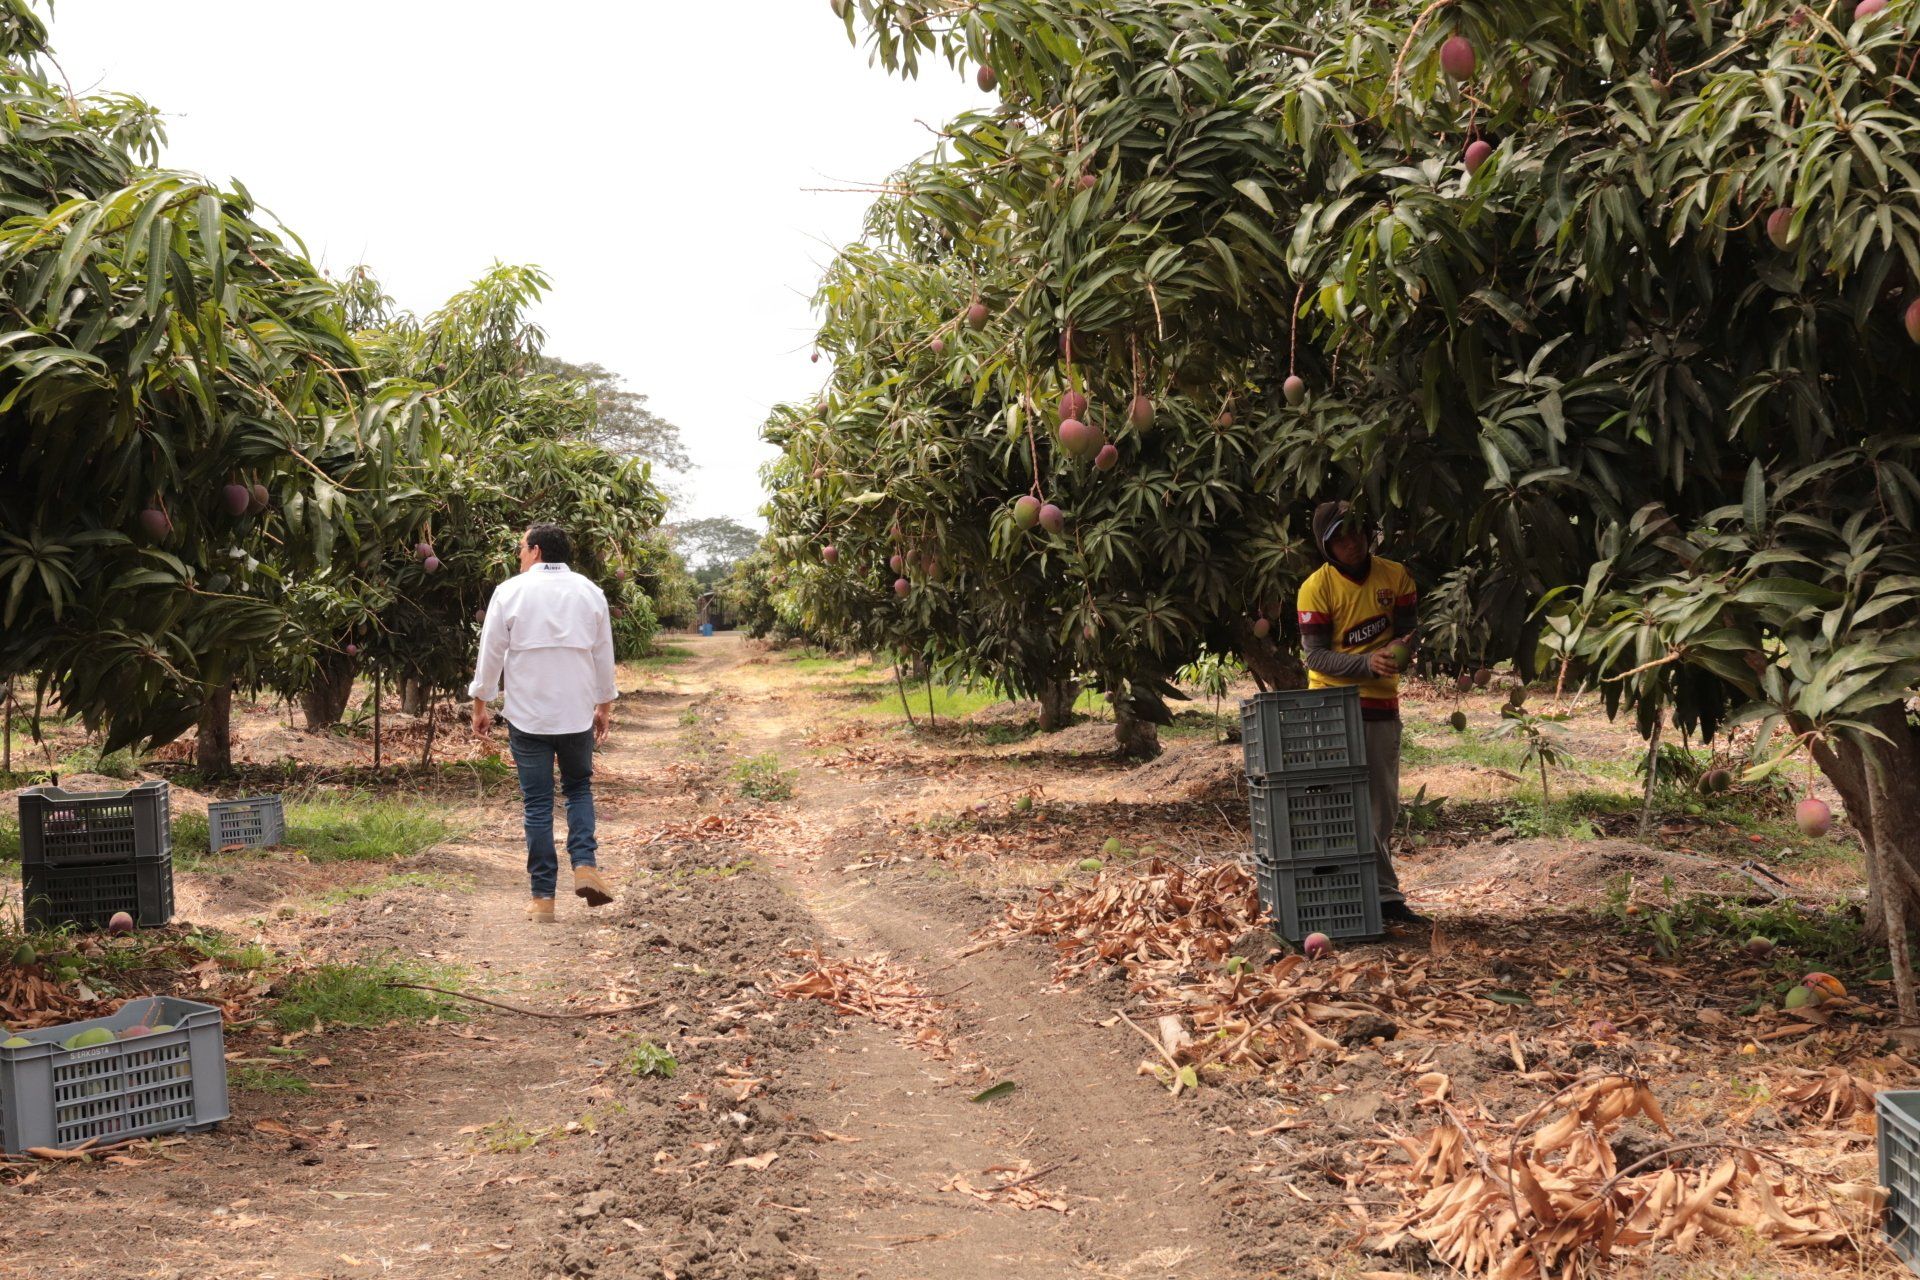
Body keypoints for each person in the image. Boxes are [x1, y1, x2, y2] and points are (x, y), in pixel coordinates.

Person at [470, 522, 617, 923]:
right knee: (578, 789)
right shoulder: (590, 591)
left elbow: (491, 653)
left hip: (528, 715)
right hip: (576, 713)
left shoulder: (510, 591)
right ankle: (585, 865)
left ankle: (542, 899)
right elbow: (603, 654)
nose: (519, 555)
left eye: (521, 548)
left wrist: (480, 704)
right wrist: (604, 705)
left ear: (535, 551)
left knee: (537, 804)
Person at [1296, 500, 1430, 929]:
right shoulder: (1316, 587)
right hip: (1329, 705)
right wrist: (1367, 663)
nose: (1350, 543)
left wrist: (1402, 649)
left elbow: (1410, 631)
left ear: (1369, 532)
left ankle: (1383, 896)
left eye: (1356, 532)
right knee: (1333, 803)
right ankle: (1338, 895)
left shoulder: (1396, 576)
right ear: (1326, 545)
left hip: (1379, 707)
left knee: (1380, 807)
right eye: (1339, 538)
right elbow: (1316, 656)